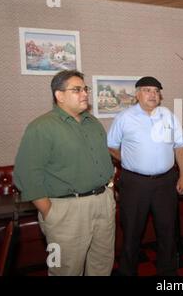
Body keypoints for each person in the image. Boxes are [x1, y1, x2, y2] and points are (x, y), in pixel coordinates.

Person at [14, 70, 116, 276]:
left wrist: (110, 188)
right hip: (66, 210)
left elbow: (103, 160)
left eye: (85, 89)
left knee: (102, 265)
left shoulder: (92, 122)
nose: (85, 94)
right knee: (65, 270)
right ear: (59, 95)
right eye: (76, 90)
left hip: (102, 204)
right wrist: (50, 212)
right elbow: (27, 175)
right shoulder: (42, 127)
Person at [107, 76, 183, 276]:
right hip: (135, 184)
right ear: (137, 94)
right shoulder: (124, 117)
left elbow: (180, 147)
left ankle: (168, 275)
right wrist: (128, 158)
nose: (152, 94)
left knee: (168, 232)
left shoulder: (168, 116)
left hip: (166, 182)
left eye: (156, 91)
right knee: (132, 234)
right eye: (147, 90)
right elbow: (111, 146)